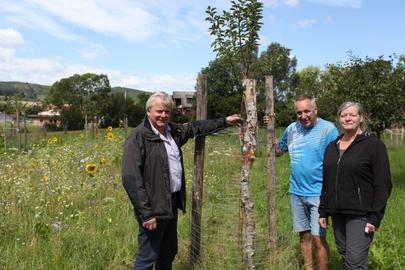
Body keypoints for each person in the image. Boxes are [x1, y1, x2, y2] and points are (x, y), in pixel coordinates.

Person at [121, 91, 242, 270]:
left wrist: (226, 121)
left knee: (167, 254)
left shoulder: (173, 131)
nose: (163, 115)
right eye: (159, 111)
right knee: (147, 258)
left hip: (171, 201)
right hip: (153, 206)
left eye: (167, 112)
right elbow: (130, 178)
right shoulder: (138, 137)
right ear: (148, 111)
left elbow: (196, 127)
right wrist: (146, 213)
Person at [319, 101, 392, 270]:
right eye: (343, 115)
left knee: (355, 262)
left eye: (352, 114)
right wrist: (323, 210)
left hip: (361, 214)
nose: (348, 118)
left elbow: (383, 184)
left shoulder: (373, 145)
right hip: (337, 212)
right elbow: (327, 180)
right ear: (339, 119)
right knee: (346, 256)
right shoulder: (332, 146)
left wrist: (375, 216)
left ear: (361, 118)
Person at [269, 95, 338, 270]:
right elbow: (279, 151)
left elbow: (338, 159)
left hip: (319, 193)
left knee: (318, 238)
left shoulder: (328, 129)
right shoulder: (292, 129)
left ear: (315, 111)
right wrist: (270, 130)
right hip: (296, 192)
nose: (303, 115)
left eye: (307, 111)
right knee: (304, 236)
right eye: (299, 112)